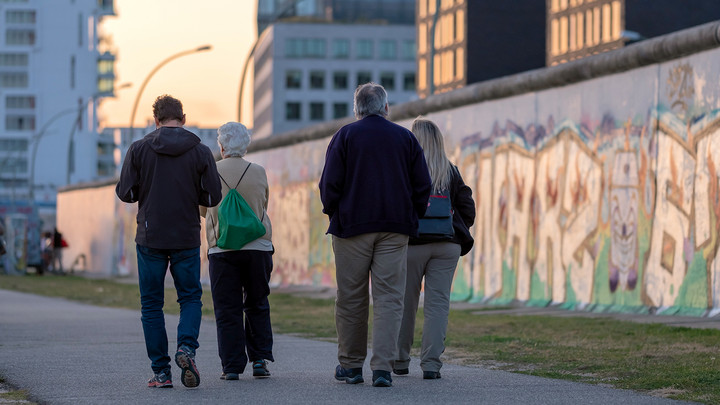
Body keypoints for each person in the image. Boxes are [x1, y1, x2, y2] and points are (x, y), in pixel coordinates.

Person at [319, 83, 432, 388]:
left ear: (357, 109)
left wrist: (336, 213)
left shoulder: (344, 136)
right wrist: (411, 215)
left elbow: (329, 185)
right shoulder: (405, 138)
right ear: (385, 108)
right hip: (395, 228)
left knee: (351, 298)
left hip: (351, 227)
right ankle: (382, 368)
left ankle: (352, 366)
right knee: (389, 297)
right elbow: (423, 185)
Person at [115, 95, 222, 389]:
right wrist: (194, 198)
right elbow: (214, 196)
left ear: (156, 120)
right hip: (186, 235)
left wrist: (144, 193)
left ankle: (161, 373)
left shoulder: (139, 149)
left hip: (150, 235)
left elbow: (125, 192)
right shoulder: (201, 152)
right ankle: (186, 349)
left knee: (151, 304)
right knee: (190, 297)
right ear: (183, 119)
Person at [393, 118, 476, 380]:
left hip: (412, 245)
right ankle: (431, 364)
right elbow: (467, 207)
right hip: (447, 244)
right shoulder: (450, 171)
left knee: (405, 304)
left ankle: (400, 360)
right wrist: (455, 226)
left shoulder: (404, 170)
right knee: (438, 305)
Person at [200, 122, 275, 381]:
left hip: (222, 249)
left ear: (220, 146)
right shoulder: (258, 171)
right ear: (246, 145)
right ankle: (260, 361)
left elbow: (203, 209)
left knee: (227, 308)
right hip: (258, 247)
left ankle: (231, 367)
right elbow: (262, 203)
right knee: (256, 303)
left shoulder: (210, 172)